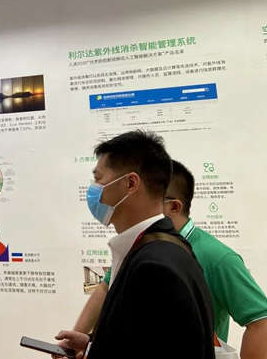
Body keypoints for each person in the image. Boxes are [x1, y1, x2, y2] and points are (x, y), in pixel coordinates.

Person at [72, 160, 267, 358]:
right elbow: (105, 288)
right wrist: (76, 345)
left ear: (173, 206)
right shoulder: (138, 244)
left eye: (152, 199)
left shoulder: (217, 257)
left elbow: (260, 322)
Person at [55, 131, 214, 359]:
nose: (93, 188)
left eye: (98, 179)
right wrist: (93, 347)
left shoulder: (154, 267)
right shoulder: (162, 248)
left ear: (130, 183)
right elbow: (144, 342)